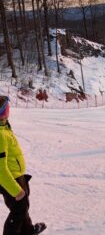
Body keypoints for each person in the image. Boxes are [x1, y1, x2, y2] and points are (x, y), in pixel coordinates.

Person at [0, 95, 47, 235]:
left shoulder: (4, 128)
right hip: (9, 178)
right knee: (18, 210)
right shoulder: (1, 134)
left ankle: (27, 230)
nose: (7, 114)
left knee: (23, 206)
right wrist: (15, 190)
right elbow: (0, 169)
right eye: (4, 111)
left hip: (16, 174)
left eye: (7, 110)